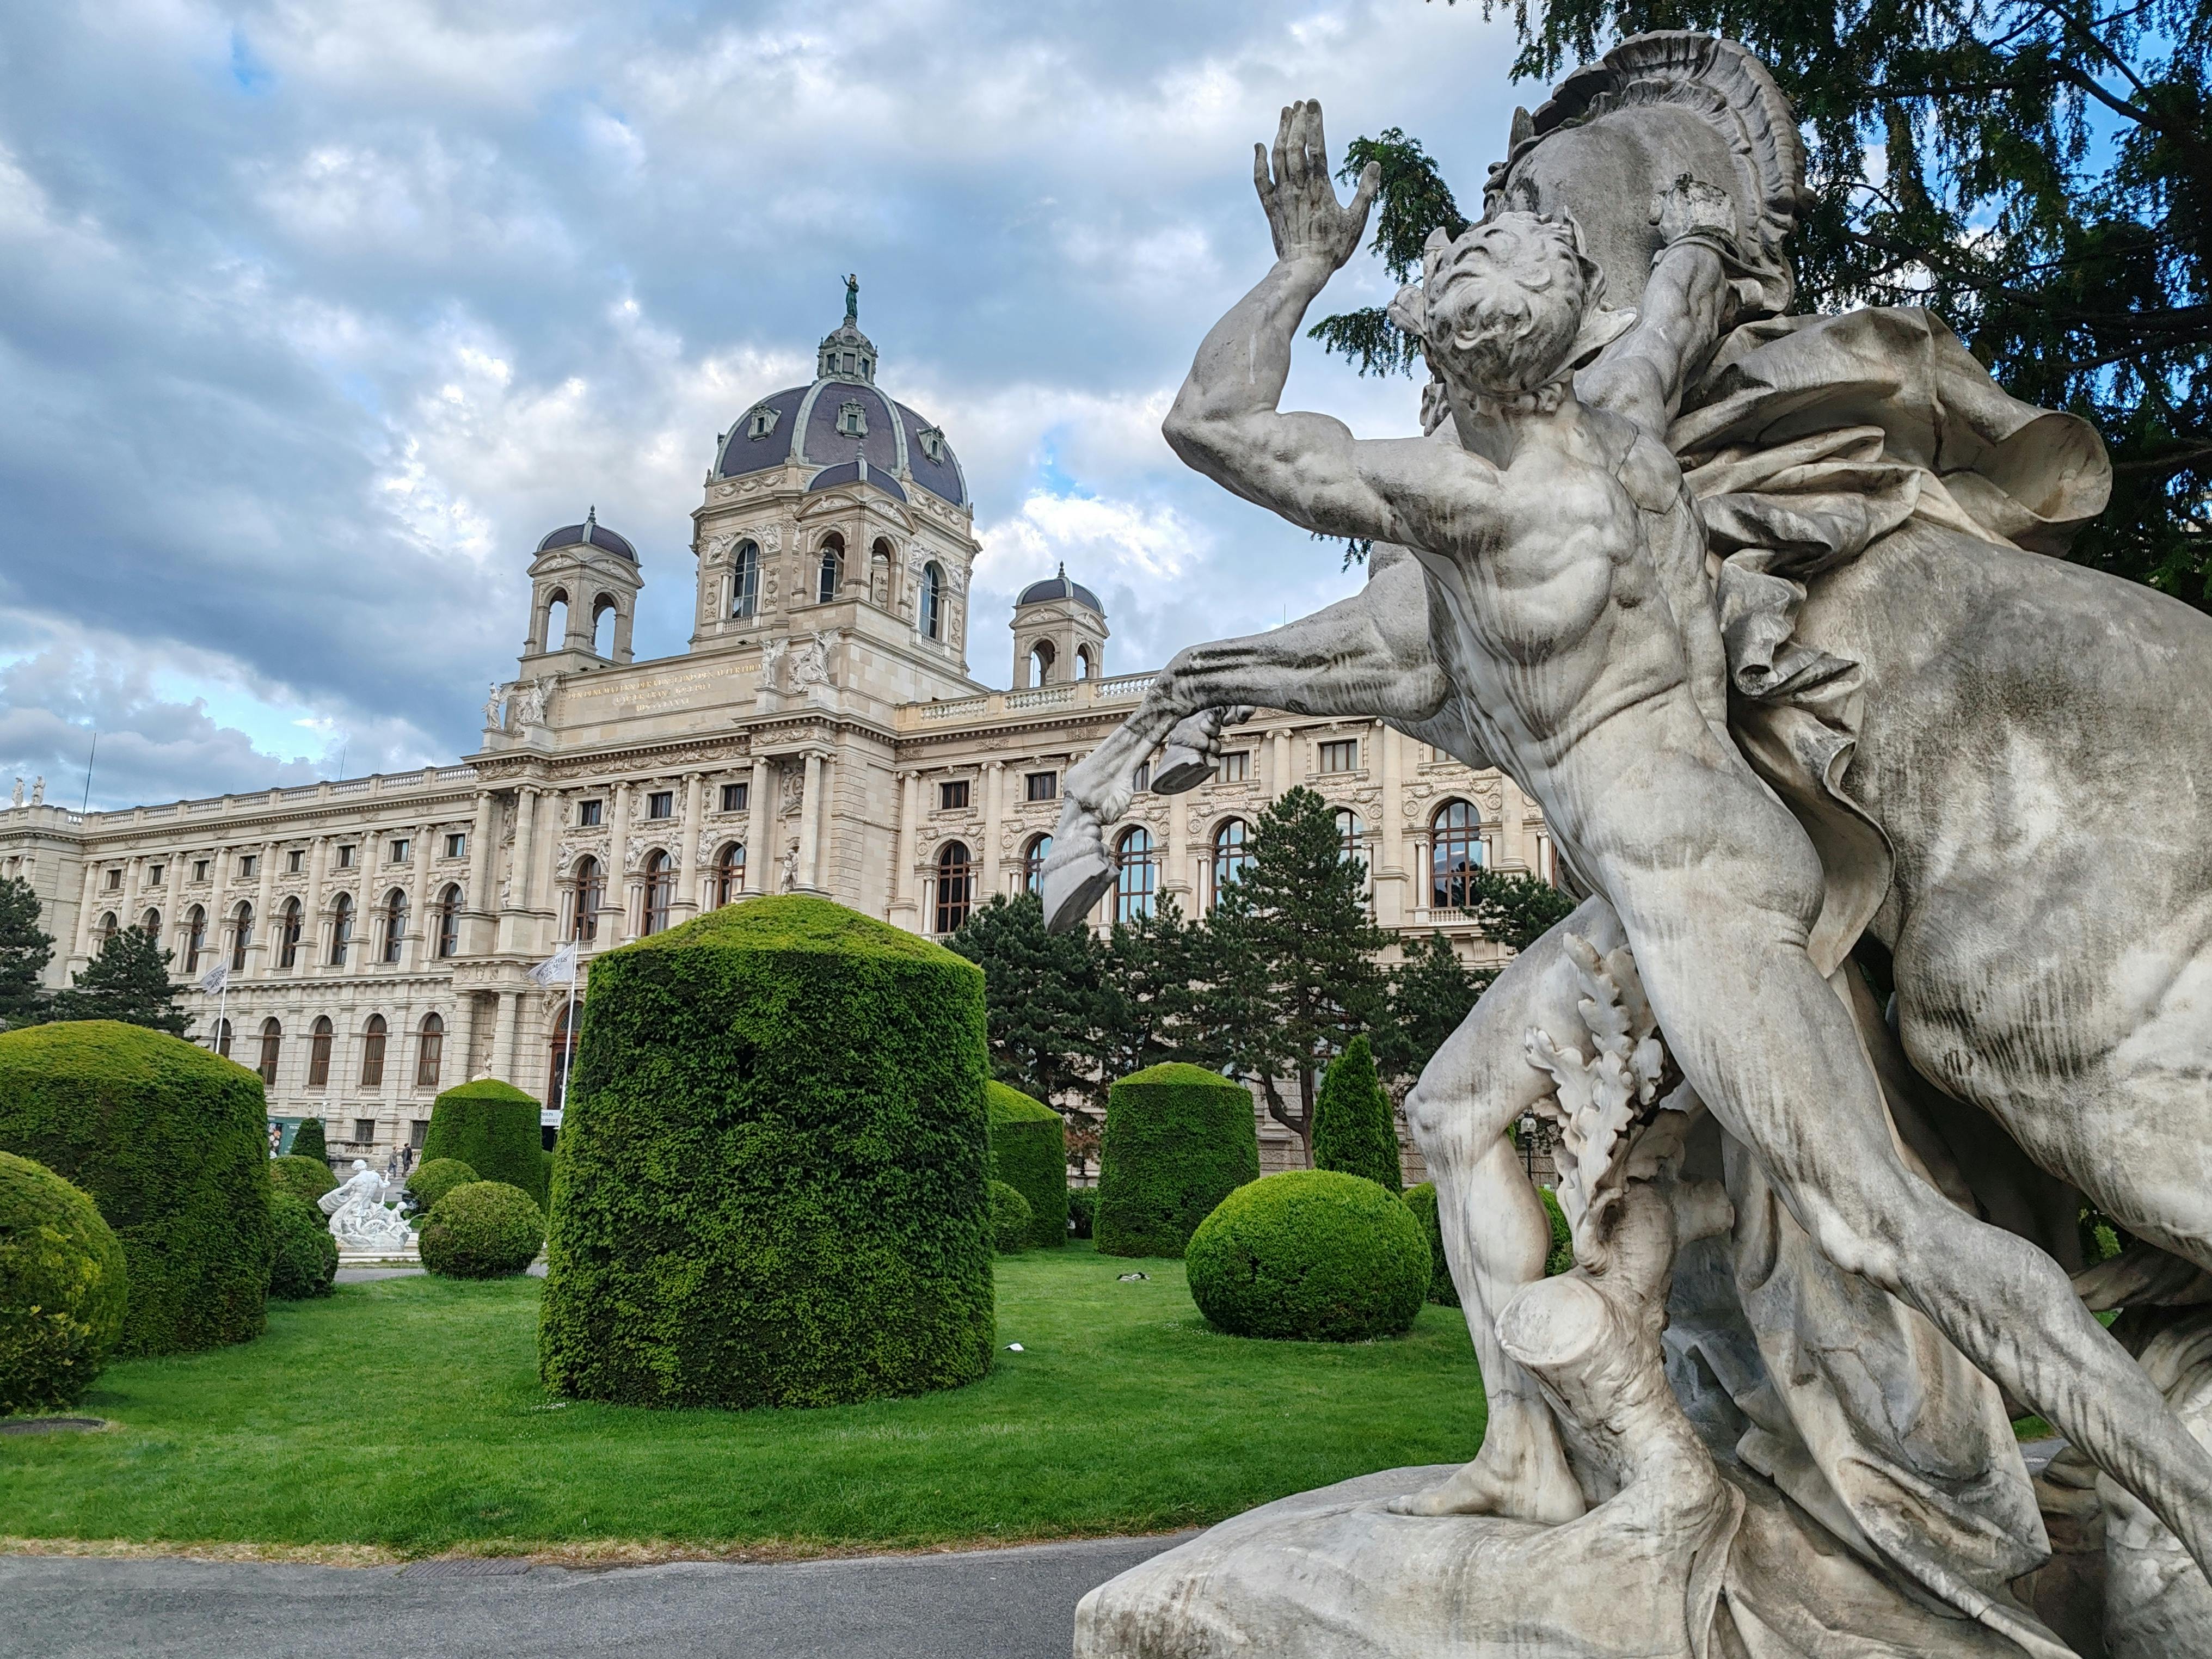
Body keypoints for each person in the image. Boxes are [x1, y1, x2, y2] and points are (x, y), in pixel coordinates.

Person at [1156, 98, 2212, 1572]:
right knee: (1456, 1111)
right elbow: (1686, 285)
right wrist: (1693, 239)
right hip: (1704, 853)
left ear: (1442, 349)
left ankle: (2193, 1503)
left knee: (1890, 1231)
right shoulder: (1633, 417)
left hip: (1696, 902)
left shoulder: (1460, 499)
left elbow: (1209, 424)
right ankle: (1527, 1454)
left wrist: (1297, 262)